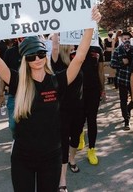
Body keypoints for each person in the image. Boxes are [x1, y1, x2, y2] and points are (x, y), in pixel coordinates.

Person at [0, 8, 100, 192]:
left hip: (51, 156)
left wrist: (90, 26)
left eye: (40, 54)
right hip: (22, 157)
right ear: (25, 60)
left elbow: (79, 57)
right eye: (31, 56)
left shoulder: (56, 81)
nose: (37, 59)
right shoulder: (17, 82)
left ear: (45, 55)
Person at [50, 34, 84, 190]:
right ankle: (62, 179)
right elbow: (55, 46)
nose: (74, 48)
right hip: (61, 111)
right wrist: (56, 34)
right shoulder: (57, 63)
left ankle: (72, 159)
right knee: (63, 142)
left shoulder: (76, 62)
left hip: (78, 108)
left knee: (76, 137)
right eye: (71, 47)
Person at [80, 44, 105, 165]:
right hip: (78, 89)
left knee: (91, 119)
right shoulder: (73, 44)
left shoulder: (97, 48)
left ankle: (91, 149)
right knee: (79, 118)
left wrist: (102, 88)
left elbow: (100, 70)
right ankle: (80, 136)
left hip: (93, 89)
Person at [110, 31, 133, 130]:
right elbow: (112, 64)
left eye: (128, 39)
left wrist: (130, 61)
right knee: (123, 100)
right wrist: (122, 64)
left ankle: (128, 109)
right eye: (125, 39)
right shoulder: (118, 50)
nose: (127, 41)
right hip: (122, 79)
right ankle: (127, 120)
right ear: (121, 39)